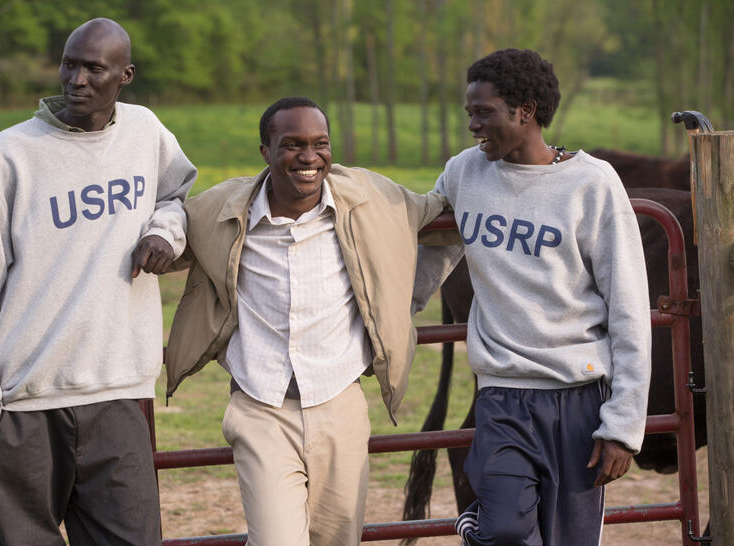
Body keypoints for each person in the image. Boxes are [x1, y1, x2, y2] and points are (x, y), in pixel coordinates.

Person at [0, 18, 197, 545]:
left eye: (93, 68)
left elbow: (177, 197)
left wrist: (164, 234)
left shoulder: (146, 132)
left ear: (124, 75)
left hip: (121, 396)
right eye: (69, 63)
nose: (76, 79)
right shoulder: (9, 155)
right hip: (23, 407)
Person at [164, 96, 454, 546]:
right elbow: (172, 220)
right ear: (266, 151)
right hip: (261, 406)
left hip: (340, 404)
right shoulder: (220, 209)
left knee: (338, 540)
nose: (309, 157)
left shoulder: (371, 199)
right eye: (292, 144)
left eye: (320, 143)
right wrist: (159, 231)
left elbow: (442, 206)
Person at [418, 48, 652, 546]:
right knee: (502, 529)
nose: (473, 125)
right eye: (469, 113)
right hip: (501, 394)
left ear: (525, 111)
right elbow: (431, 255)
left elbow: (629, 309)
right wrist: (388, 317)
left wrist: (624, 425)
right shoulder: (465, 173)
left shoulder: (592, 184)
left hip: (578, 399)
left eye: (484, 113)